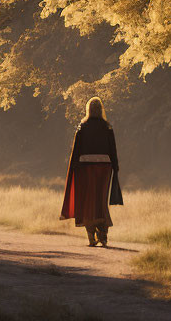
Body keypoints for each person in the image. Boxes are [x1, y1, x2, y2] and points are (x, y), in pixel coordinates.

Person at [60, 97, 122, 247]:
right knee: (100, 201)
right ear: (101, 110)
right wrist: (115, 165)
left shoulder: (83, 126)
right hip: (104, 167)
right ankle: (103, 235)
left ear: (87, 109)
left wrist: (74, 166)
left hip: (85, 167)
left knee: (88, 200)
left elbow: (76, 149)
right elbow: (112, 148)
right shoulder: (107, 127)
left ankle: (91, 236)